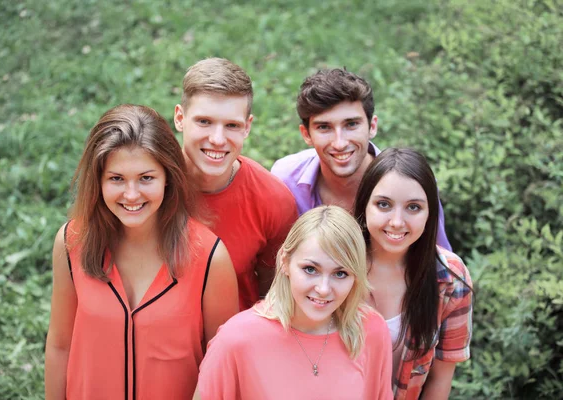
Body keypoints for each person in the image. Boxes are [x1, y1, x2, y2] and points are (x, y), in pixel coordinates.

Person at [44, 104, 239, 400]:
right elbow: (60, 345)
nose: (131, 195)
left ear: (168, 178)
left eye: (146, 178)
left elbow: (223, 365)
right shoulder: (71, 241)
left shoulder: (211, 257)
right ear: (98, 181)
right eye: (116, 178)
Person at [197, 206, 393, 400]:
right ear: (285, 261)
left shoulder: (372, 331)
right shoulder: (235, 340)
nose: (323, 288)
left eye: (340, 274)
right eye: (310, 269)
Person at [271, 68, 452, 250]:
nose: (340, 143)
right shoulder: (285, 179)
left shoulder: (414, 183)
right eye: (324, 127)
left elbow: (437, 259)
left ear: (372, 126)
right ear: (306, 134)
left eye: (351, 124)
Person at [173, 58, 298, 310]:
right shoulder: (147, 185)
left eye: (231, 125)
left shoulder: (273, 200)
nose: (217, 139)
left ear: (247, 127)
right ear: (179, 118)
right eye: (204, 122)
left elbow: (274, 297)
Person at [353, 148, 473, 400]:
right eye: (383, 204)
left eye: (413, 207)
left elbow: (440, 379)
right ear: (365, 204)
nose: (397, 221)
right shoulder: (337, 264)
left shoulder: (451, 277)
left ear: (430, 213)